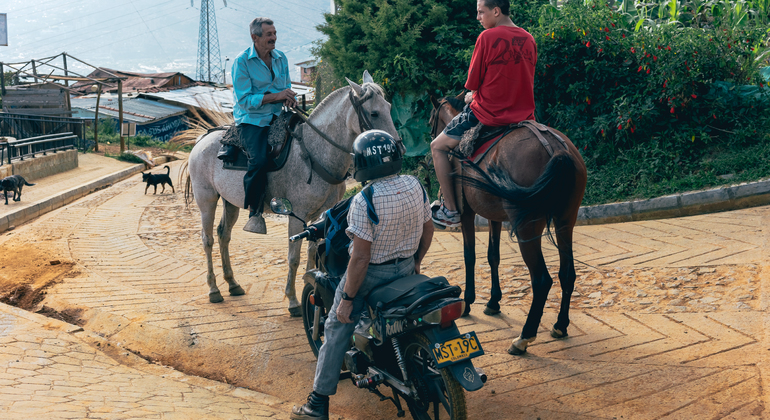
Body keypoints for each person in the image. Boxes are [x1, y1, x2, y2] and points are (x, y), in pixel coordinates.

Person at [290, 130, 434, 420]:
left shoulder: (364, 200)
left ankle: (317, 404)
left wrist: (347, 300)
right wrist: (416, 261)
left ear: (361, 164)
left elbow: (360, 258)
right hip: (405, 267)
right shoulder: (415, 185)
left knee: (335, 326)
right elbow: (428, 229)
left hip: (372, 276)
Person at [430, 0, 537, 227]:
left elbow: (473, 83)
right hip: (525, 118)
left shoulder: (486, 38)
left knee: (437, 147)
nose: (478, 17)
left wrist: (470, 96)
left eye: (481, 12)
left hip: (487, 114)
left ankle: (449, 210)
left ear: (496, 11)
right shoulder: (529, 39)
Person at [232, 17, 297, 234]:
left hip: (279, 115)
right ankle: (254, 210)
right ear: (255, 37)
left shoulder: (281, 58)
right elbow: (244, 101)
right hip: (252, 120)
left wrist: (287, 96)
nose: (274, 38)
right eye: (269, 34)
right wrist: (276, 96)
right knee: (258, 160)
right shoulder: (241, 62)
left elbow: (285, 86)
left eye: (275, 33)